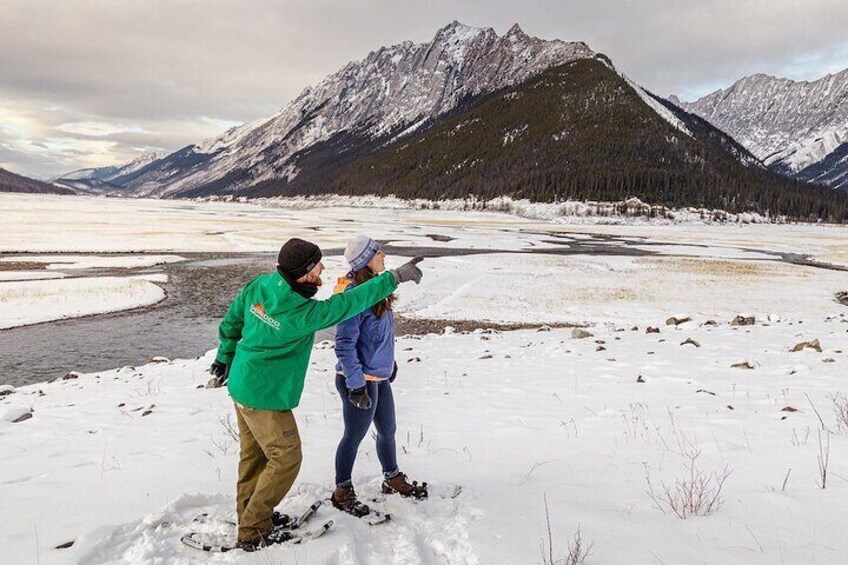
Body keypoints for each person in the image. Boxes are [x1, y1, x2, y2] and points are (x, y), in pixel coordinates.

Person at [209, 237, 423, 551]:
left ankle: (252, 516)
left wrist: (223, 358)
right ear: (303, 273)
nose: (323, 267)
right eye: (316, 265)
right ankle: (253, 529)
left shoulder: (261, 286)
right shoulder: (301, 313)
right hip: (264, 395)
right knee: (286, 457)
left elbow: (233, 322)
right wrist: (394, 278)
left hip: (242, 384)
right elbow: (347, 304)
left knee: (254, 457)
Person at [330, 235, 428, 518]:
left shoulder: (375, 290)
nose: (383, 255)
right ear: (365, 260)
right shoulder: (353, 296)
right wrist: (356, 384)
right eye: (377, 252)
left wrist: (388, 363)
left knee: (388, 431)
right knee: (353, 436)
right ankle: (342, 491)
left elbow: (379, 336)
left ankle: (392, 477)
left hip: (378, 378)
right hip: (358, 381)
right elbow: (344, 344)